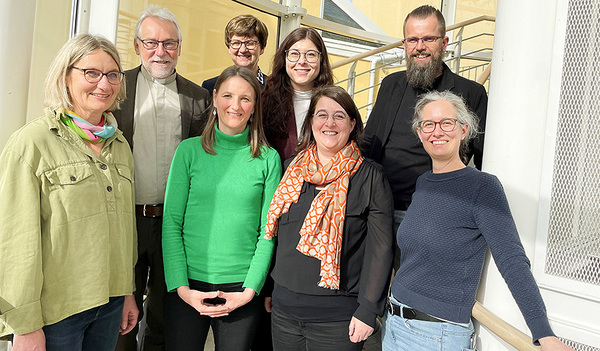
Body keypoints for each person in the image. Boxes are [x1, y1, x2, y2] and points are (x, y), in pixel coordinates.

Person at [382, 90, 574, 351]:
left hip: (435, 335)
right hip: (393, 322)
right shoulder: (424, 182)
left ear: (464, 129)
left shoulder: (482, 187)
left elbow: (512, 260)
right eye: (428, 124)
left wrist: (543, 332)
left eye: (446, 123)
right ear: (419, 133)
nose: (437, 131)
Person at [0, 34, 137, 350]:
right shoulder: (31, 144)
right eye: (91, 73)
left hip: (110, 303)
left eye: (113, 74)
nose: (104, 83)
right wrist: (24, 324)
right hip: (56, 313)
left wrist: (127, 291)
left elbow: (124, 228)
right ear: (65, 76)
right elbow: (15, 242)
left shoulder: (119, 145)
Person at [264, 85, 394, 351]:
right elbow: (278, 237)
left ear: (352, 123)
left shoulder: (370, 177)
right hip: (284, 313)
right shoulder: (291, 169)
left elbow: (380, 249)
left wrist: (368, 310)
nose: (329, 123)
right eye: (321, 115)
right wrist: (268, 288)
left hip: (338, 318)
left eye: (339, 116)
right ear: (311, 121)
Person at [161, 65, 282, 351]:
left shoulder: (268, 159)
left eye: (245, 98)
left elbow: (268, 232)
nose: (235, 106)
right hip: (187, 284)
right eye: (228, 96)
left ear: (255, 106)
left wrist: (250, 290)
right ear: (214, 98)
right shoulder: (188, 152)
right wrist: (182, 288)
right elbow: (171, 223)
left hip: (241, 288)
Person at [112, 5, 211, 351]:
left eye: (169, 43)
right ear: (138, 46)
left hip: (174, 224)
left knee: (165, 318)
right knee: (119, 318)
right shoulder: (114, 88)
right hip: (125, 220)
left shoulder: (199, 98)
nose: (160, 51)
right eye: (151, 42)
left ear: (179, 48)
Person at [361, 5, 488, 247]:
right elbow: (369, 143)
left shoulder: (471, 93)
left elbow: (484, 159)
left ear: (444, 43)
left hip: (432, 213)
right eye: (413, 39)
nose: (420, 46)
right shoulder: (390, 84)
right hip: (378, 209)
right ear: (404, 44)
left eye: (428, 38)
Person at [262, 27, 334, 162]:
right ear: (284, 59)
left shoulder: (335, 104)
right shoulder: (265, 101)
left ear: (321, 60)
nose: (302, 61)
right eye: (294, 54)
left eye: (311, 55)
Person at [202, 14, 269, 93]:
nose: (243, 49)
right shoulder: (211, 87)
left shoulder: (275, 89)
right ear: (229, 48)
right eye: (236, 43)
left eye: (250, 43)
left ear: (262, 48)